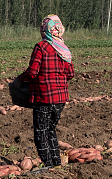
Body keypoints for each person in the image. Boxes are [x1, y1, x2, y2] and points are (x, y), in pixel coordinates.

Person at [19, 15, 75, 168]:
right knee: (51, 130)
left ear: (45, 29)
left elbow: (32, 72)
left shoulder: (41, 47)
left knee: (41, 133)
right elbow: (70, 74)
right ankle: (56, 162)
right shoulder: (64, 49)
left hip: (43, 97)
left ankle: (48, 165)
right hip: (61, 99)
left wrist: (20, 79)